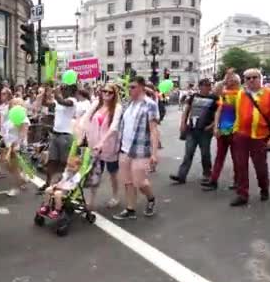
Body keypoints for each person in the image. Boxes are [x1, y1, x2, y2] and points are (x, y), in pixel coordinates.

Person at [230, 68, 270, 207]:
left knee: (260, 167)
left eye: (254, 77)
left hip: (260, 137)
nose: (251, 80)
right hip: (241, 136)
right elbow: (220, 92)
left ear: (260, 78)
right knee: (241, 166)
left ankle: (264, 188)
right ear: (244, 80)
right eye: (248, 78)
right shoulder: (240, 93)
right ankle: (242, 194)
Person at [112, 76, 159, 220]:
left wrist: (154, 153)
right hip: (125, 148)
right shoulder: (128, 104)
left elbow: (153, 130)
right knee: (127, 181)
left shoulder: (149, 104)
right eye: (129, 87)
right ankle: (130, 209)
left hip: (140, 149)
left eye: (133, 87)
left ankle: (150, 198)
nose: (130, 90)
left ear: (141, 87)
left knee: (139, 181)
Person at [80, 83, 122, 209]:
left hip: (109, 146)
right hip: (94, 145)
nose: (106, 94)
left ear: (115, 94)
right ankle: (91, 200)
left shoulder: (117, 107)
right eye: (104, 91)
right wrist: (79, 131)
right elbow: (85, 118)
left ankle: (115, 196)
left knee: (112, 173)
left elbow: (114, 127)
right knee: (94, 173)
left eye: (110, 92)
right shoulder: (96, 103)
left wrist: (102, 141)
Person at [170, 79, 218, 185]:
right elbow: (187, 110)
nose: (207, 87)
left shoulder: (214, 98)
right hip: (192, 129)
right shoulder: (193, 97)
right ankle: (181, 175)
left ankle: (207, 174)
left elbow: (218, 114)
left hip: (205, 131)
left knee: (205, 153)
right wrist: (183, 123)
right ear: (200, 86)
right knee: (188, 153)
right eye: (205, 85)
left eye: (209, 85)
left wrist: (211, 126)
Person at [203, 71, 241, 191]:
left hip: (235, 131)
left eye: (231, 80)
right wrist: (216, 127)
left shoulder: (242, 94)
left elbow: (241, 114)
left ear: (236, 82)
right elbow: (218, 110)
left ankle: (238, 181)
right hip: (222, 130)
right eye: (227, 80)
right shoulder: (224, 94)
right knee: (219, 157)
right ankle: (213, 180)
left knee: (237, 158)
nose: (228, 82)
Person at [38, 84, 78, 194]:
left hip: (66, 135)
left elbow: (61, 102)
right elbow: (45, 103)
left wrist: (55, 92)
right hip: (55, 134)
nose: (62, 91)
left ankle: (63, 186)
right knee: (51, 161)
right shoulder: (58, 101)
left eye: (64, 89)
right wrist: (45, 92)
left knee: (63, 163)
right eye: (62, 89)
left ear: (70, 91)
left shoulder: (72, 101)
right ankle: (48, 183)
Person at [1, 98, 30, 197]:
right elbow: (6, 130)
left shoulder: (23, 117)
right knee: (8, 166)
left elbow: (23, 132)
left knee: (14, 168)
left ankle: (16, 187)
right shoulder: (10, 116)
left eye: (18, 103)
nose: (16, 105)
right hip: (8, 144)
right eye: (14, 103)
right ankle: (22, 179)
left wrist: (17, 144)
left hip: (16, 146)